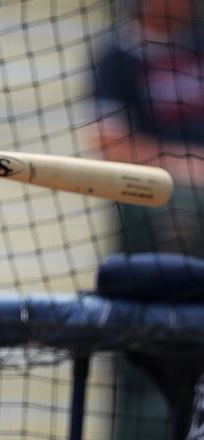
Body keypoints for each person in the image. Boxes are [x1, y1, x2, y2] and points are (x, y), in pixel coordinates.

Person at [90, 1, 203, 439]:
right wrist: (187, 169)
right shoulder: (116, 56)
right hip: (147, 229)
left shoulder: (198, 44)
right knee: (146, 356)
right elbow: (110, 144)